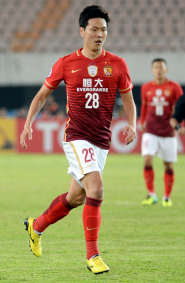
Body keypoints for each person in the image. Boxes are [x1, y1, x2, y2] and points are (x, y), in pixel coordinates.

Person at [20, 5, 136, 275]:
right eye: (94, 29)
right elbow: (41, 96)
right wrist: (28, 124)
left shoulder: (117, 64)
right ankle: (92, 255)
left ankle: (36, 226)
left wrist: (132, 123)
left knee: (76, 198)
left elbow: (129, 100)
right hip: (76, 137)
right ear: (82, 31)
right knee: (96, 188)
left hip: (102, 142)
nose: (99, 34)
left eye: (103, 30)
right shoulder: (67, 63)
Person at [140, 59, 183, 207]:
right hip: (151, 130)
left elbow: (181, 107)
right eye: (156, 67)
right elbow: (144, 106)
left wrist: (179, 124)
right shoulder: (146, 87)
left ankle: (167, 197)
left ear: (166, 70)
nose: (159, 70)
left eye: (161, 67)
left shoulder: (174, 87)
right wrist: (142, 122)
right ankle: (151, 194)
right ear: (152, 70)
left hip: (168, 131)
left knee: (168, 165)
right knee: (147, 160)